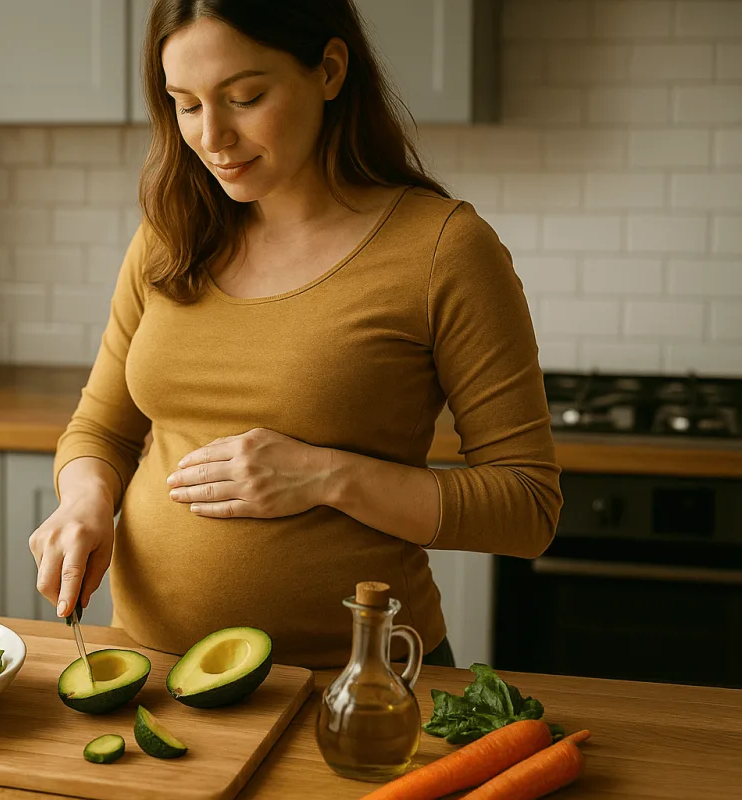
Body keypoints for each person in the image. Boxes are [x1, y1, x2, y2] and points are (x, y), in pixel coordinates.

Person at [29, 0, 562, 670]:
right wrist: (84, 504)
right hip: (151, 669)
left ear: (330, 70)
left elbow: (526, 506)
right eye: (185, 105)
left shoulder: (444, 249)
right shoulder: (170, 233)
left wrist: (326, 476)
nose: (212, 136)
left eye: (244, 97)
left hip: (352, 685)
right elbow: (101, 431)